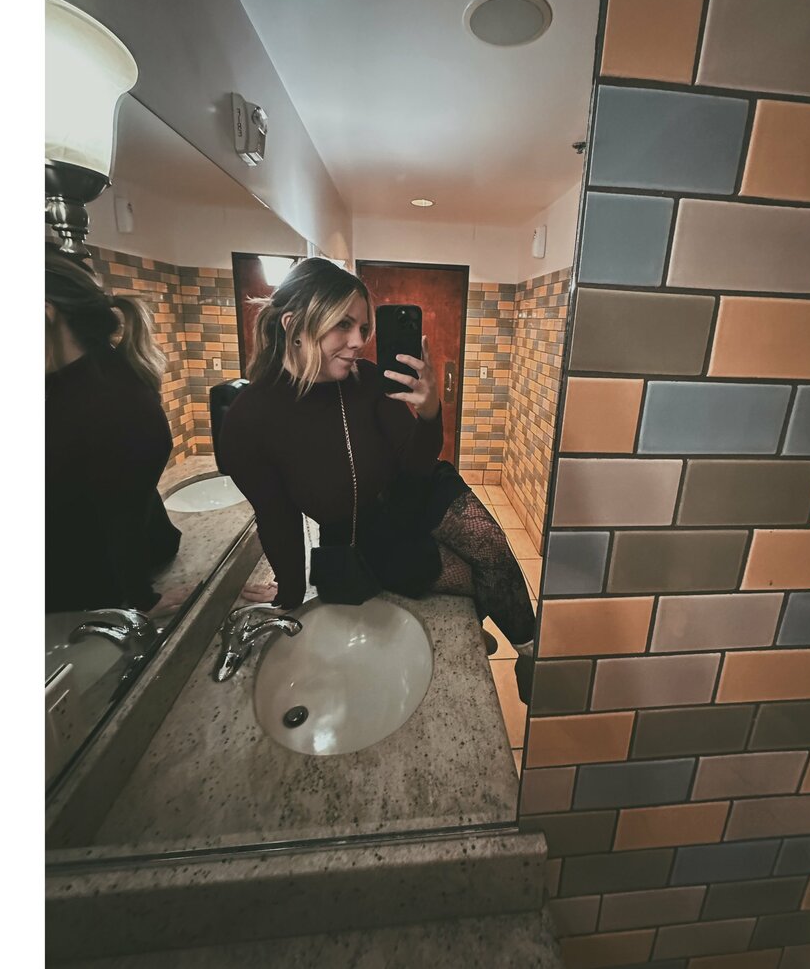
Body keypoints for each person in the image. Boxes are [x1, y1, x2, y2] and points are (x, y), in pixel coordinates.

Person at [217, 257, 536, 702]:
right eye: (343, 326)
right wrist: (288, 594)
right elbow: (277, 517)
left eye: (364, 328)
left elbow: (417, 463)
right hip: (371, 535)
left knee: (491, 546)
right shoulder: (249, 421)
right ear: (294, 325)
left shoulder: (366, 380)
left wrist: (429, 413)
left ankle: (532, 657)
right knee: (467, 578)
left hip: (419, 490)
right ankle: (475, 632)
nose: (358, 342)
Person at [45, 248, 181, 615]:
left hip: (86, 601)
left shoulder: (113, 404)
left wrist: (141, 599)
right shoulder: (79, 386)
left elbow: (122, 513)